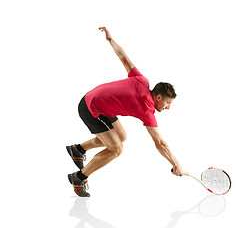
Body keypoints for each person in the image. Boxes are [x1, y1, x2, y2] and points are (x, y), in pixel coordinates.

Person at [67, 27, 183, 197]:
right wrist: (175, 163)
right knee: (116, 149)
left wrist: (110, 40)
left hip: (98, 100)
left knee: (121, 137)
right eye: (168, 103)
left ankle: (78, 149)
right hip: (91, 107)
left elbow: (124, 59)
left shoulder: (142, 81)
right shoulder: (147, 110)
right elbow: (160, 143)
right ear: (158, 97)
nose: (168, 107)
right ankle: (79, 177)